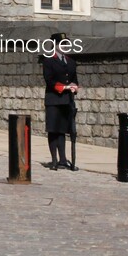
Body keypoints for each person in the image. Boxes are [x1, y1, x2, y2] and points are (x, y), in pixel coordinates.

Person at [41, 32, 79, 171]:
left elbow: (74, 79)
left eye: (66, 44)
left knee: (62, 130)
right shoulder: (48, 60)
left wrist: (74, 86)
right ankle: (54, 160)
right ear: (55, 45)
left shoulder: (71, 62)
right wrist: (64, 87)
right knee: (53, 130)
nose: (65, 46)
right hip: (53, 99)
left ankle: (63, 159)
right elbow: (49, 80)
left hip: (66, 100)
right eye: (62, 44)